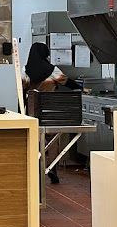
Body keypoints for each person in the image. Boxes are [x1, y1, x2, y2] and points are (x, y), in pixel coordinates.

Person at [24, 42, 81, 184]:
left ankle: (34, 169)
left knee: (34, 139)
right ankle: (52, 168)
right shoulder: (51, 70)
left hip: (31, 110)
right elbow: (67, 82)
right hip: (50, 110)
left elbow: (22, 88)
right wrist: (82, 87)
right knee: (53, 139)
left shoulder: (26, 70)